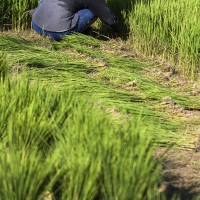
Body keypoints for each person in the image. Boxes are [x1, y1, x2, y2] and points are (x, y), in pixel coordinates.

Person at [29, 0, 120, 41]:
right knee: (94, 10)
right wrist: (118, 30)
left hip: (36, 24)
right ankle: (82, 31)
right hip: (56, 33)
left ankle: (38, 14)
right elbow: (110, 20)